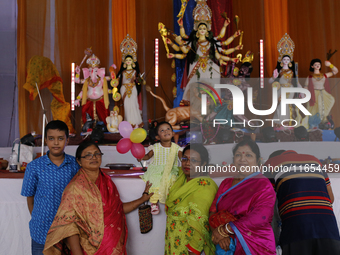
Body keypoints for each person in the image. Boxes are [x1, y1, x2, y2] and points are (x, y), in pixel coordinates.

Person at [43, 141, 153, 255]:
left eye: (97, 154)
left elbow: (117, 209)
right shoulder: (75, 188)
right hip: (89, 250)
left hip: (114, 246)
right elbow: (69, 226)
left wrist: (142, 199)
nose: (93, 157)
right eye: (88, 155)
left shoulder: (107, 182)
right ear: (79, 161)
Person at [21, 120, 80, 255]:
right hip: (41, 229)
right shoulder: (34, 167)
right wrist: (38, 218)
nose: (56, 142)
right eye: (51, 139)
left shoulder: (75, 165)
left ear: (67, 140)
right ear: (46, 140)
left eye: (60, 138)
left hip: (68, 228)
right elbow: (30, 198)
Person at [264, 150, 340, 255]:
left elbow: (263, 200)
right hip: (329, 229)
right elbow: (330, 198)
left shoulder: (270, 163)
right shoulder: (315, 161)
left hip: (296, 229)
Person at [165, 0, 242, 102]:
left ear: (207, 30)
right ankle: (194, 102)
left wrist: (232, 58)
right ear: (197, 30)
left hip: (209, 65)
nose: (202, 30)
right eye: (200, 28)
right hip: (196, 64)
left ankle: (213, 101)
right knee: (195, 82)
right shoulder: (193, 42)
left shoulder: (211, 42)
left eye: (204, 28)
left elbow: (220, 53)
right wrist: (175, 46)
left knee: (215, 72)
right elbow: (184, 51)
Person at [209, 139, 276, 254]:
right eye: (238, 155)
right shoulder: (226, 183)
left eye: (248, 155)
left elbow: (259, 217)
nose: (242, 159)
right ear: (233, 159)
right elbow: (213, 211)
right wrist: (220, 235)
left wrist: (225, 230)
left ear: (258, 160)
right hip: (225, 243)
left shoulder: (263, 184)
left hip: (254, 243)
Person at [165, 144, 218, 255]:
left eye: (194, 160)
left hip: (191, 248)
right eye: (185, 159)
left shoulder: (205, 186)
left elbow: (201, 221)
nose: (188, 163)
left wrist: (193, 250)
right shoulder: (180, 180)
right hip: (173, 240)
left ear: (203, 164)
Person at [139, 121, 183, 214]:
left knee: (173, 180)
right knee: (154, 181)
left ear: (173, 133)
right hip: (157, 170)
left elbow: (182, 157)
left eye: (168, 129)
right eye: (162, 130)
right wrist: (141, 157)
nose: (166, 131)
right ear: (158, 137)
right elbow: (148, 156)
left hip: (171, 169)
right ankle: (154, 202)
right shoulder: (155, 147)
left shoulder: (176, 148)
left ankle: (170, 202)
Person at [269, 33, 304, 130]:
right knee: (281, 105)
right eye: (284, 59)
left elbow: (296, 82)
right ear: (281, 59)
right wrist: (273, 77)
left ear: (290, 60)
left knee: (289, 105)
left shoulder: (293, 71)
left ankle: (288, 124)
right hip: (282, 89)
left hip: (290, 89)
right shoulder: (278, 71)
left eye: (288, 59)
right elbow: (270, 81)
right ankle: (279, 123)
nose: (286, 60)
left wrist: (301, 91)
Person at [74, 54, 110, 126]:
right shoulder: (87, 80)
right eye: (90, 71)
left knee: (105, 115)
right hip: (89, 100)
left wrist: (112, 72)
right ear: (88, 71)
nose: (93, 73)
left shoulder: (102, 80)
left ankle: (105, 128)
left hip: (100, 100)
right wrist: (77, 73)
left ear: (99, 71)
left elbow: (112, 79)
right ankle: (88, 129)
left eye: (95, 70)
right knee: (86, 114)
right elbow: (77, 81)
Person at [117, 34, 143, 128]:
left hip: (133, 88)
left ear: (133, 61)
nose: (128, 61)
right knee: (127, 106)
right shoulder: (122, 72)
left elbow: (139, 82)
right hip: (124, 89)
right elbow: (116, 82)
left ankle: (136, 123)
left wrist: (140, 80)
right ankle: (129, 123)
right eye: (126, 59)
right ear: (124, 61)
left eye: (130, 59)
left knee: (134, 104)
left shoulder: (135, 71)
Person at [304, 59, 338, 129]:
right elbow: (306, 86)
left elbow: (335, 71)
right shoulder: (310, 77)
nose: (317, 66)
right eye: (315, 65)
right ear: (312, 66)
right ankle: (314, 123)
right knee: (314, 109)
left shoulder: (324, 75)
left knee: (331, 100)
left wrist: (330, 65)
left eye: (318, 65)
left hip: (323, 93)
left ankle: (324, 120)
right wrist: (304, 94)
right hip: (314, 94)